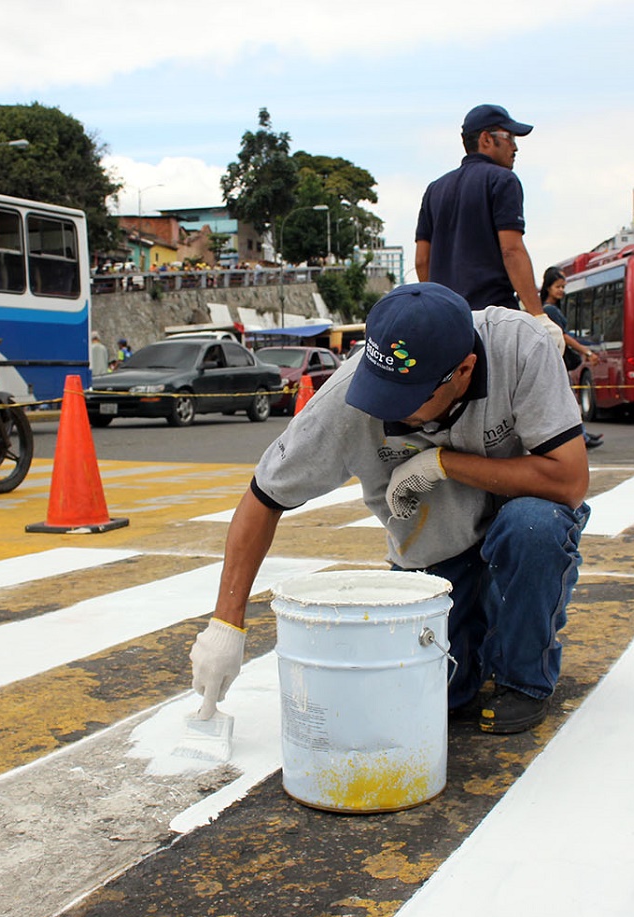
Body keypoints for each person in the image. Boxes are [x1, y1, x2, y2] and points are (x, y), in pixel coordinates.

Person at [188, 283, 590, 735]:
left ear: (463, 371)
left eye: (408, 400)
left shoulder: (519, 347)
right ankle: (479, 648)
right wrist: (227, 623)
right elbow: (262, 498)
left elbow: (569, 481)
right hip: (433, 555)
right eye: (381, 393)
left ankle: (523, 678)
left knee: (534, 527)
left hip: (519, 523)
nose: (388, 412)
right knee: (442, 697)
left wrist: (443, 463)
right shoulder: (345, 401)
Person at [415, 105, 543, 317]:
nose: (515, 147)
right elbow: (511, 250)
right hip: (494, 315)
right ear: (486, 139)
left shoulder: (434, 189)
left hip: (450, 319)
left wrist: (441, 308)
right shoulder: (502, 180)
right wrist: (539, 316)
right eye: (509, 137)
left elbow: (422, 260)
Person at [539, 266, 602, 449]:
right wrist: (587, 352)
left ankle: (581, 434)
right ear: (548, 287)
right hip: (556, 362)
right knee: (567, 400)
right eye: (558, 286)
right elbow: (563, 336)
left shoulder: (550, 309)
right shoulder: (549, 311)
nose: (561, 291)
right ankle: (579, 436)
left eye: (563, 287)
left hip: (556, 362)